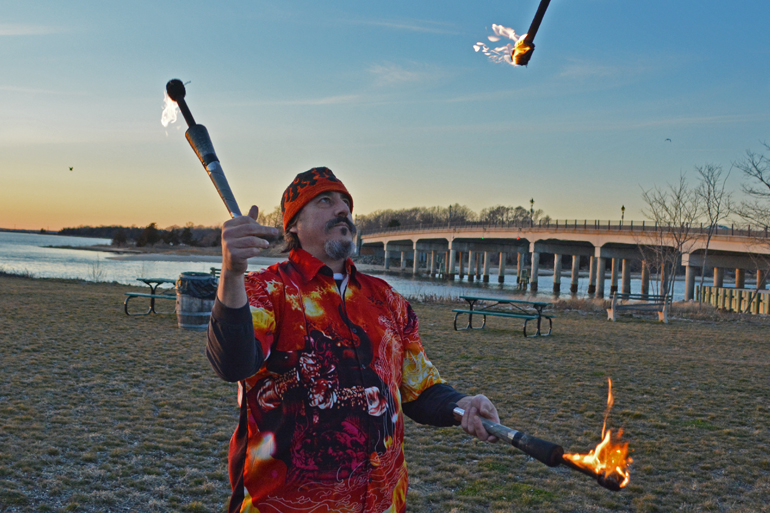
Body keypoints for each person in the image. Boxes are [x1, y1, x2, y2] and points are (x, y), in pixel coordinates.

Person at [207, 167, 500, 513]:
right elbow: (232, 363)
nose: (342, 210)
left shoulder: (387, 299)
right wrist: (232, 273)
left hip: (381, 502)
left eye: (346, 203)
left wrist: (461, 405)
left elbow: (419, 389)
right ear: (293, 226)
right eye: (326, 201)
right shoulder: (267, 290)